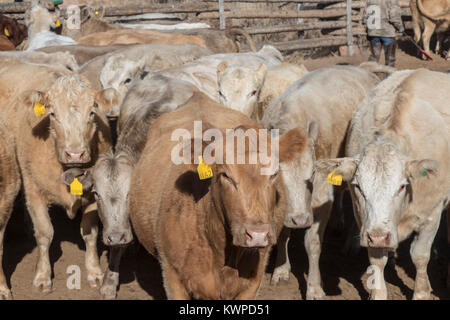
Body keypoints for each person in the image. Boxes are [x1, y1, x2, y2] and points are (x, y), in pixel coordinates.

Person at [363, 0, 404, 67]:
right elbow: (394, 17)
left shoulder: (369, 1)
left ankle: (370, 75)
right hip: (387, 33)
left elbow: (365, 17)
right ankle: (389, 76)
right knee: (390, 59)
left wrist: (367, 29)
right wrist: (400, 28)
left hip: (373, 32)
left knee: (373, 58)